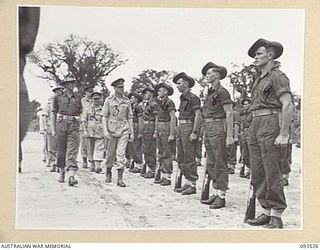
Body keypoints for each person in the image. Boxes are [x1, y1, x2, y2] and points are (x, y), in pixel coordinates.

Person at [245, 38, 293, 229]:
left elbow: (288, 104)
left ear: (270, 55)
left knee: (272, 171)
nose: (255, 58)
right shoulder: (258, 78)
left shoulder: (277, 76)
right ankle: (265, 210)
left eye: (259, 54)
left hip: (270, 123)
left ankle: (276, 214)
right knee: (257, 171)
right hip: (256, 124)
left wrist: (283, 134)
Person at [200, 62, 234, 209]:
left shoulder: (222, 92)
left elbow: (229, 113)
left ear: (217, 75)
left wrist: (230, 135)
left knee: (220, 161)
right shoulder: (210, 92)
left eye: (209, 73)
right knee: (211, 162)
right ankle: (216, 191)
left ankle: (222, 195)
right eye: (206, 74)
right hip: (208, 127)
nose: (206, 76)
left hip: (218, 126)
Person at [102, 78, 134, 187]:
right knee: (110, 154)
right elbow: (104, 116)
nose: (122, 89)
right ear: (114, 88)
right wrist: (105, 130)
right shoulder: (108, 100)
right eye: (119, 87)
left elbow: (129, 117)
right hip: (111, 130)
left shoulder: (127, 101)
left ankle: (120, 178)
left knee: (121, 153)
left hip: (123, 129)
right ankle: (108, 171)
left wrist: (131, 132)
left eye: (123, 87)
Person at [173, 72, 201, 195]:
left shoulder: (193, 98)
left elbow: (198, 115)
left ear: (186, 84)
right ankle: (188, 182)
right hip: (181, 126)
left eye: (179, 83)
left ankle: (192, 184)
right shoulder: (182, 98)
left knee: (189, 156)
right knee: (181, 156)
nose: (177, 86)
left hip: (189, 126)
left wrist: (194, 131)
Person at [52, 76, 82, 186]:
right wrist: (54, 128)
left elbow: (81, 112)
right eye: (70, 83)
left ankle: (71, 175)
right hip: (61, 124)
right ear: (65, 85)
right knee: (61, 149)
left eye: (73, 82)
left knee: (72, 149)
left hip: (74, 125)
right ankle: (62, 171)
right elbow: (54, 112)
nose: (72, 84)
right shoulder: (58, 97)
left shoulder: (78, 98)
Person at [154, 83, 176, 186]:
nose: (158, 92)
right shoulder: (160, 103)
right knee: (161, 152)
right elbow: (157, 118)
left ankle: (167, 176)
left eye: (160, 90)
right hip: (160, 128)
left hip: (166, 127)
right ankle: (162, 174)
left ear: (166, 92)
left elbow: (172, 118)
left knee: (167, 152)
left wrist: (171, 133)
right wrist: (155, 130)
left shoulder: (169, 102)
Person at [42, 85, 64, 172]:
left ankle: (60, 163)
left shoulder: (63, 103)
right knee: (51, 147)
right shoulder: (48, 104)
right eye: (57, 92)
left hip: (61, 127)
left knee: (60, 146)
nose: (58, 93)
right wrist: (44, 127)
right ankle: (53, 163)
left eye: (60, 91)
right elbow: (44, 116)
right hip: (50, 127)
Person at [82, 91, 105, 173]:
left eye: (98, 99)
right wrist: (84, 130)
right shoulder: (87, 109)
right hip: (89, 130)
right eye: (94, 99)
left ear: (101, 99)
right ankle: (92, 163)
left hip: (100, 130)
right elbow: (84, 120)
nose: (96, 101)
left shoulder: (103, 109)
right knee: (90, 148)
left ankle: (98, 165)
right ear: (92, 100)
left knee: (99, 147)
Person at [141, 86, 159, 178]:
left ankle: (152, 169)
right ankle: (149, 167)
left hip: (150, 126)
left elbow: (156, 118)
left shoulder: (154, 104)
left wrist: (155, 130)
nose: (145, 95)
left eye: (147, 93)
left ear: (151, 94)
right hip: (146, 126)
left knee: (150, 148)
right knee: (146, 148)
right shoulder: (147, 104)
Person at [126, 92, 144, 173]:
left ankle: (139, 164)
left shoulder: (139, 107)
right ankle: (134, 162)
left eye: (133, 98)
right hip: (131, 126)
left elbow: (140, 119)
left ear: (136, 99)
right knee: (131, 146)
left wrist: (140, 131)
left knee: (136, 146)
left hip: (136, 126)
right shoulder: (132, 107)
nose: (131, 99)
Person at [80, 85, 94, 168]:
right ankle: (84, 160)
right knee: (84, 144)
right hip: (84, 123)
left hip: (93, 124)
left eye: (92, 91)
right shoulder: (82, 101)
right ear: (85, 92)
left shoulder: (95, 100)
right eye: (89, 91)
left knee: (92, 143)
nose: (91, 93)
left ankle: (92, 160)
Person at [239, 98, 252, 179]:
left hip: (250, 133)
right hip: (243, 133)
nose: (245, 106)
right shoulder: (243, 114)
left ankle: (250, 171)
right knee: (244, 153)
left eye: (246, 104)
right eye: (244, 104)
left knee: (251, 153)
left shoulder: (252, 113)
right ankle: (247, 169)